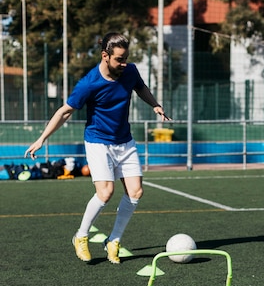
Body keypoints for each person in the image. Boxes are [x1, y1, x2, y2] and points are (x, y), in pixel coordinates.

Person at [25, 32, 172, 265]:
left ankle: (113, 240)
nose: (124, 64)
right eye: (119, 59)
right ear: (105, 56)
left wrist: (155, 105)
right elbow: (64, 112)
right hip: (98, 142)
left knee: (135, 192)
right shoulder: (89, 83)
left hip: (125, 141)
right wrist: (42, 138)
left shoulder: (130, 71)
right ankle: (81, 236)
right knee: (105, 193)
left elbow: (140, 87)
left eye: (126, 58)